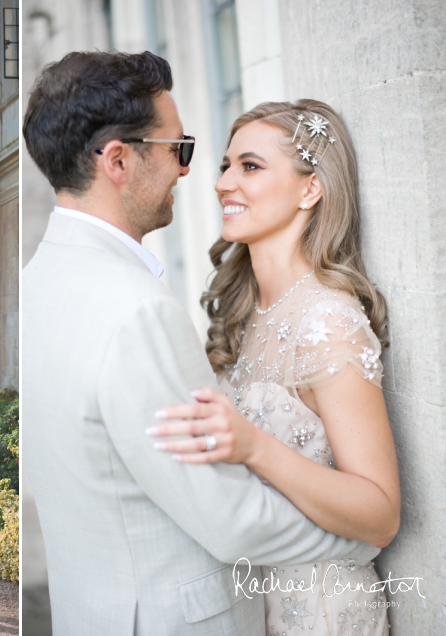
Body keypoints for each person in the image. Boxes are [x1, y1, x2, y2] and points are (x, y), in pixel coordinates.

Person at [22, 50, 381, 636]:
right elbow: (229, 518)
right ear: (118, 161)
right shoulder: (136, 310)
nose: (202, 178)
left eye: (249, 166)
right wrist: (354, 543)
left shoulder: (37, 284)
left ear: (311, 188)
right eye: (181, 151)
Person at [148, 100, 398, 634]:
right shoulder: (243, 311)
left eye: (251, 166)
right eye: (226, 166)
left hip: (322, 613)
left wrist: (254, 447)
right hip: (249, 604)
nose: (223, 183)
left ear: (311, 189)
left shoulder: (328, 321)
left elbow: (381, 515)